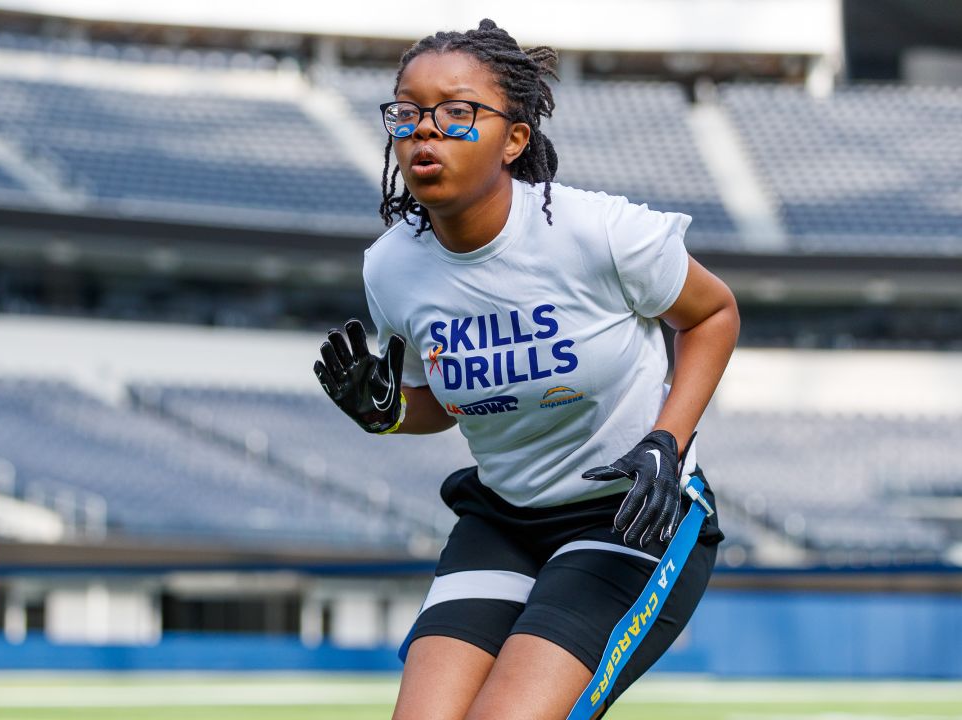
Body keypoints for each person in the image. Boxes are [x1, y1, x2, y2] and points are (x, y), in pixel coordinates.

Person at [313, 19, 740, 720]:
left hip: (628, 516)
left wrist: (670, 440)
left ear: (515, 138)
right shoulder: (390, 269)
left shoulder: (599, 233)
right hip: (503, 519)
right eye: (408, 113)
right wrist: (386, 413)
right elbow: (446, 401)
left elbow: (713, 313)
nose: (426, 131)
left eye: (456, 113)